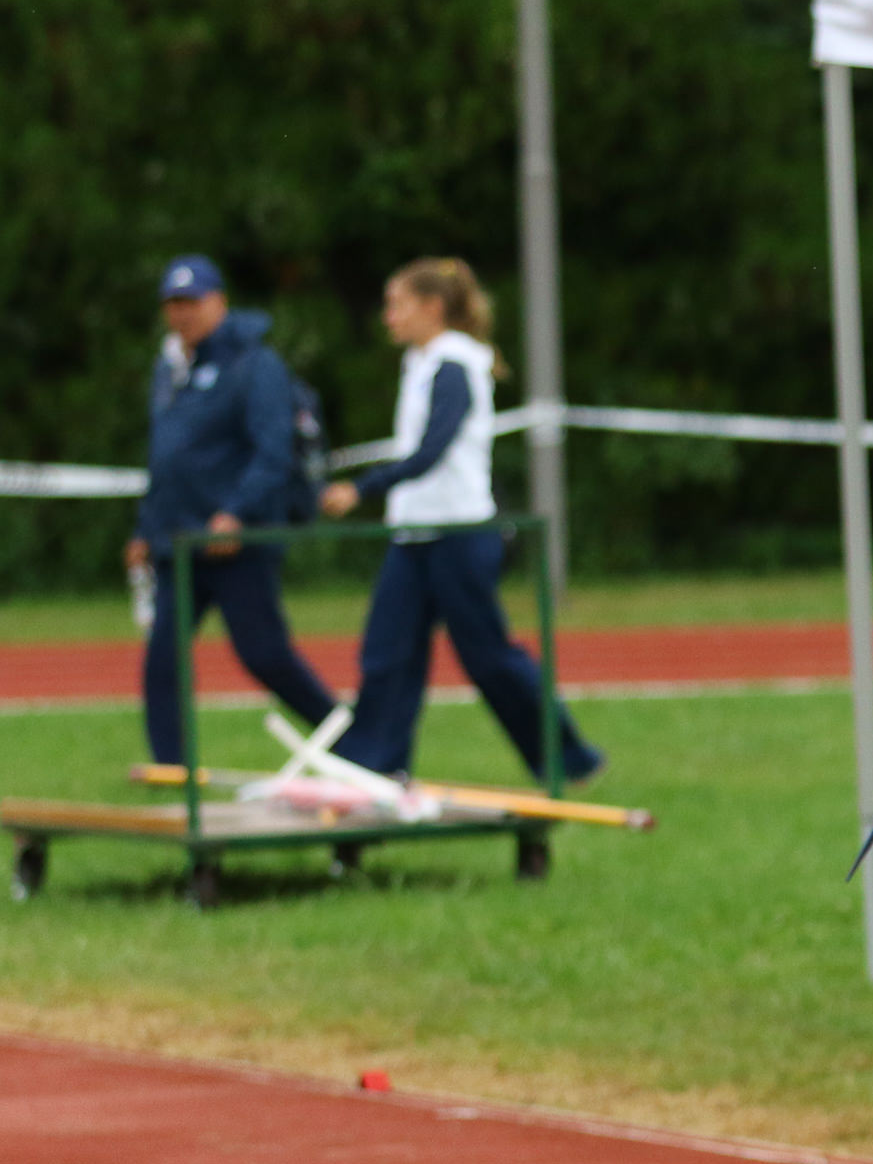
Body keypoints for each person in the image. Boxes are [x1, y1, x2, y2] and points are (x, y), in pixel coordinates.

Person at [320, 259, 602, 786]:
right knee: (387, 654)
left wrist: (362, 488)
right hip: (414, 535)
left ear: (432, 308)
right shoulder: (421, 362)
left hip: (459, 536)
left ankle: (569, 758)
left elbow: (432, 451)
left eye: (397, 304)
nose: (388, 316)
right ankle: (375, 770)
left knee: (488, 657)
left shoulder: (454, 366)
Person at [130, 254, 342, 766]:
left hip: (237, 542)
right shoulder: (170, 368)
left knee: (264, 655)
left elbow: (274, 452)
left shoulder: (255, 365)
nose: (182, 313)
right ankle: (172, 769)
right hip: (181, 542)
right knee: (162, 660)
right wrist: (145, 528)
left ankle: (352, 737)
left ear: (219, 301)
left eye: (192, 301)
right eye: (173, 303)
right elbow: (167, 459)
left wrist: (236, 513)